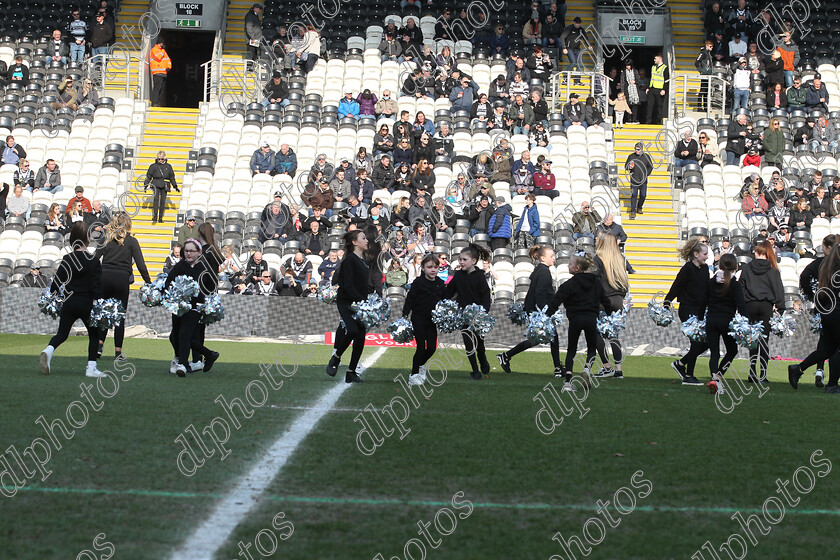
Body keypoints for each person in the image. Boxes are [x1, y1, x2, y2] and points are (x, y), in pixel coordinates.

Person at [39, 223, 106, 378]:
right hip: (87, 303)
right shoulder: (94, 260)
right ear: (87, 239)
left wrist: (52, 297)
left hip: (69, 302)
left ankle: (48, 350)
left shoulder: (67, 258)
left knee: (62, 334)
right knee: (94, 335)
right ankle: (91, 367)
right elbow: (97, 287)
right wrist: (101, 304)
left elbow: (56, 282)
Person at [546, 254, 611, 391]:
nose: (568, 266)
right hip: (591, 319)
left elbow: (555, 302)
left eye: (570, 264)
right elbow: (606, 302)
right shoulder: (596, 283)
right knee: (592, 348)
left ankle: (568, 382)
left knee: (571, 350)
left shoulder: (568, 285)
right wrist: (610, 316)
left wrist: (545, 316)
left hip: (575, 319)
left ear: (577, 268)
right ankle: (587, 369)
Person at [94, 212, 152, 361]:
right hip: (121, 280)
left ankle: (98, 347)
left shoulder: (105, 239)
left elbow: (94, 259)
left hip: (104, 278)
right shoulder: (132, 241)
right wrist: (148, 282)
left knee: (104, 313)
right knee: (119, 316)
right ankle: (118, 353)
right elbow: (141, 265)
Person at [497, 245, 561, 375]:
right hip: (540, 312)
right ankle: (558, 368)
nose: (554, 258)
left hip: (536, 310)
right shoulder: (544, 271)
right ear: (543, 258)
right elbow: (539, 293)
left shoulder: (539, 270)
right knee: (550, 337)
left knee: (541, 338)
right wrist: (543, 313)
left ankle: (506, 356)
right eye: (551, 256)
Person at [789, 243, 840, 393]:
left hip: (827, 311)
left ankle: (797, 369)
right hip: (837, 311)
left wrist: (812, 296)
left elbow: (805, 276)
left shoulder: (825, 263)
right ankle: (832, 385)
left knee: (827, 349)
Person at [325, 230, 371, 383]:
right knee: (352, 330)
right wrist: (360, 301)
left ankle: (351, 372)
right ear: (355, 242)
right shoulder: (349, 260)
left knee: (360, 337)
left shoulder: (364, 260)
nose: (366, 240)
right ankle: (336, 358)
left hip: (360, 303)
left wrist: (369, 299)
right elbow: (348, 285)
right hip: (347, 302)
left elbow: (364, 284)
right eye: (363, 238)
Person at [665, 237, 710, 385]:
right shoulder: (687, 269)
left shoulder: (704, 269)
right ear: (696, 254)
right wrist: (667, 301)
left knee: (707, 342)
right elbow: (676, 285)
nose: (707, 256)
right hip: (687, 310)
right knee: (696, 342)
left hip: (700, 311)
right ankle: (689, 375)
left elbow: (707, 290)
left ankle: (681, 364)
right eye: (705, 254)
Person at [444, 244, 493, 379]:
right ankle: (475, 370)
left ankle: (483, 360)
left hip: (477, 316)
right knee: (468, 342)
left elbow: (485, 297)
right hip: (463, 315)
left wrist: (483, 313)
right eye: (460, 259)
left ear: (474, 261)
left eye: (464, 259)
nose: (461, 262)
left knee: (479, 342)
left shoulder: (480, 276)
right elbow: (448, 292)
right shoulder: (458, 275)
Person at [740, 240, 785, 383]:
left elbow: (741, 287)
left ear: (759, 252)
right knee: (764, 341)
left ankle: (752, 372)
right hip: (766, 306)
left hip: (750, 305)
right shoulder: (773, 271)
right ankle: (763, 375)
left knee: (753, 340)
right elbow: (779, 291)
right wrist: (781, 308)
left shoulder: (747, 268)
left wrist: (742, 306)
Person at [165, 239, 210, 376]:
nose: (189, 254)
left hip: (195, 308)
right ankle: (209, 354)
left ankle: (182, 364)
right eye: (187, 251)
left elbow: (208, 288)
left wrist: (204, 305)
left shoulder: (203, 268)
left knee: (184, 334)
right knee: (174, 336)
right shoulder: (179, 266)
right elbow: (168, 284)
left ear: (199, 252)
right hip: (179, 307)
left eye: (192, 251)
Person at [703, 253, 747, 394]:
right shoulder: (735, 284)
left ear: (719, 265)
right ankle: (717, 377)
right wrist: (747, 322)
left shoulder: (711, 282)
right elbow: (741, 306)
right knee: (732, 351)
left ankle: (714, 378)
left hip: (711, 320)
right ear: (736, 266)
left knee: (714, 353)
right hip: (727, 322)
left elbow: (703, 302)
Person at [798, 234, 837, 388]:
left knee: (826, 341)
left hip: (824, 307)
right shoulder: (835, 263)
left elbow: (805, 276)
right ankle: (832, 381)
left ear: (828, 247)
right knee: (833, 345)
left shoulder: (821, 262)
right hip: (836, 308)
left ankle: (816, 370)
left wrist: (813, 295)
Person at [593, 234, 630, 379]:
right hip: (618, 301)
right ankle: (618, 370)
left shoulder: (598, 259)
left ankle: (606, 367)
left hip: (603, 302)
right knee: (613, 335)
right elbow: (625, 283)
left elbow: (593, 280)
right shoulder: (620, 259)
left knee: (594, 332)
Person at [144, 150, 178, 223]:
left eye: (162, 159)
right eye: (159, 159)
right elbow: (149, 176)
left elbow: (172, 177)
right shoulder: (153, 166)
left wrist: (175, 186)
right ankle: (155, 216)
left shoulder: (168, 166)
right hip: (156, 183)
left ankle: (160, 217)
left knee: (163, 201)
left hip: (164, 184)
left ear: (164, 158)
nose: (160, 160)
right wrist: (146, 184)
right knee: (156, 199)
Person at [625, 142, 653, 219]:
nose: (636, 150)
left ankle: (639, 207)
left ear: (641, 149)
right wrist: (629, 167)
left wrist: (646, 174)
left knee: (643, 195)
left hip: (643, 180)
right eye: (635, 149)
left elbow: (650, 167)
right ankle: (633, 211)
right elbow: (626, 166)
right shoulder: (631, 156)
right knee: (634, 195)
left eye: (638, 149)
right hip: (634, 179)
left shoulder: (646, 156)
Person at [646, 53, 669, 125]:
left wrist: (664, 89)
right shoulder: (653, 67)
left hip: (659, 89)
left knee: (659, 106)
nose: (654, 60)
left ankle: (659, 121)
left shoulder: (665, 68)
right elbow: (651, 78)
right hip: (652, 88)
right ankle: (648, 121)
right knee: (649, 106)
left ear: (659, 59)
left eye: (655, 58)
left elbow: (666, 80)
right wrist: (648, 88)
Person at [149, 40, 171, 107]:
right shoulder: (154, 50)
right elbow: (158, 58)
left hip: (163, 72)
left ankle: (158, 102)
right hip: (157, 72)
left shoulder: (163, 51)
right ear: (158, 43)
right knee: (157, 88)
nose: (162, 44)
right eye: (162, 43)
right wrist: (163, 51)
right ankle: (154, 103)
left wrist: (169, 67)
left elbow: (168, 60)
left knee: (161, 89)